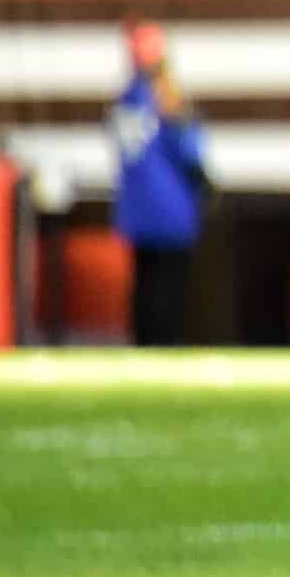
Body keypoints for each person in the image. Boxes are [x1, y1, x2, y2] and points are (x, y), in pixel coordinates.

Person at [107, 18, 209, 347]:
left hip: (137, 208)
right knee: (169, 287)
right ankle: (164, 345)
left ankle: (144, 345)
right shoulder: (169, 102)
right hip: (171, 207)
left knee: (145, 282)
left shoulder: (124, 102)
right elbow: (190, 152)